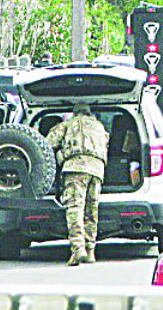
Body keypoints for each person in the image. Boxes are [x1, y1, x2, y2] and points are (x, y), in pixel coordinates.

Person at [46, 102, 110, 266]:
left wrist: (60, 154)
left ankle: (77, 249)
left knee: (75, 208)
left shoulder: (68, 124)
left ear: (74, 113)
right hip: (97, 170)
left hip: (75, 167)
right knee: (91, 209)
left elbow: (47, 145)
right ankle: (90, 250)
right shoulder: (100, 127)